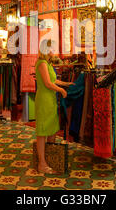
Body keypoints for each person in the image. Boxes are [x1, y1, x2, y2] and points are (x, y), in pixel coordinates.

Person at [35, 40, 73, 174]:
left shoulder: (49, 64)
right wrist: (61, 91)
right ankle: (42, 164)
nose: (54, 51)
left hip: (50, 99)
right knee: (42, 132)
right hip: (44, 100)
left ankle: (49, 158)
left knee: (51, 129)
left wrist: (66, 83)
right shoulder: (42, 63)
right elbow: (47, 83)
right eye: (52, 49)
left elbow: (53, 80)